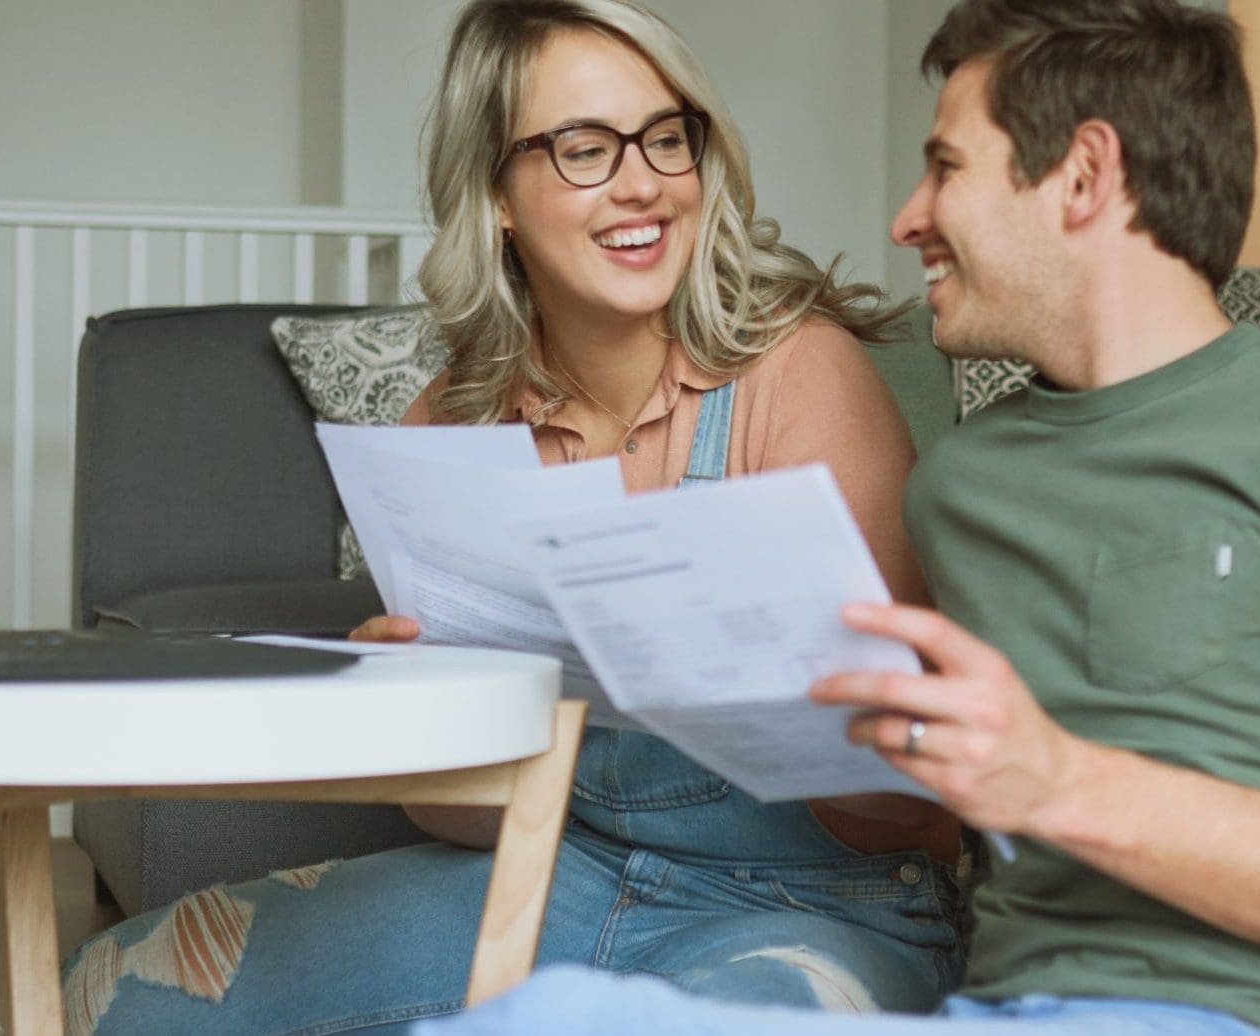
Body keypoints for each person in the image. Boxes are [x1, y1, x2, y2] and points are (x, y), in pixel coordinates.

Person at [418, 1, 1260, 1034]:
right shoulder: (969, 484)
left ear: (1081, 176)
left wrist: (1054, 782)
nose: (906, 219)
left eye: (944, 167)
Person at [59, 2, 968, 1033]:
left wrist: (802, 707)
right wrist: (420, 716)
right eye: (584, 148)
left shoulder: (800, 376)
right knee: (117, 990)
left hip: (817, 905)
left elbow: (911, 808)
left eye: (665, 137)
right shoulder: (451, 419)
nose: (641, 182)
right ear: (496, 193)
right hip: (556, 873)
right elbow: (465, 814)